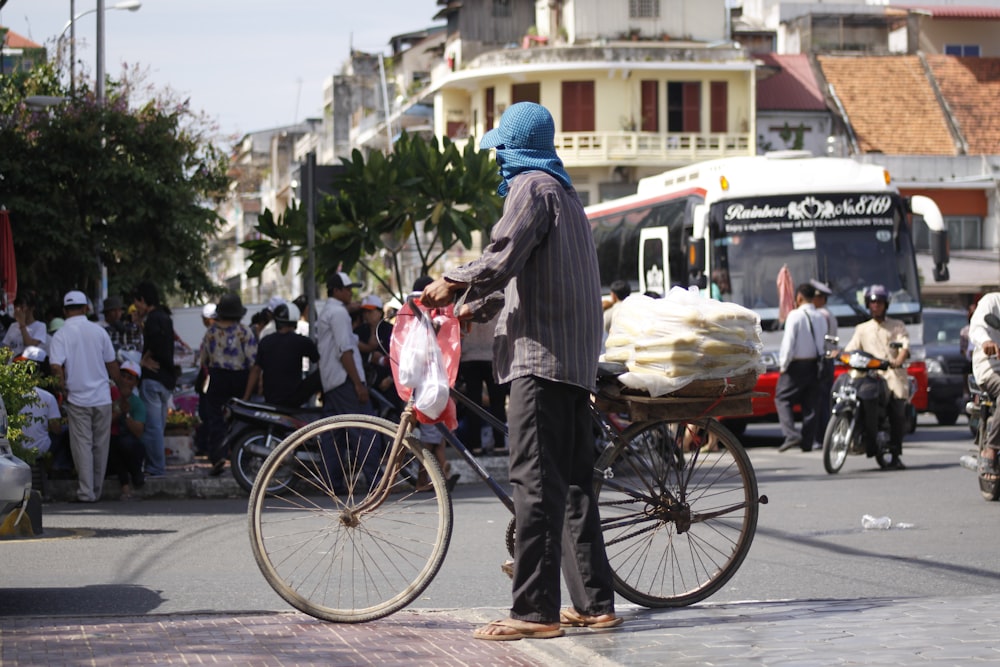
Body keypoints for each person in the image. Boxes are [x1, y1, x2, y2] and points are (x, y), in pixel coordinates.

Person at [420, 102, 619, 640]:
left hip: (540, 360)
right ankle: (596, 603)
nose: (498, 162)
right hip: (573, 362)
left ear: (513, 150)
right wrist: (471, 307)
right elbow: (519, 278)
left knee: (534, 485)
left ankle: (534, 613)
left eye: (500, 150)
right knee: (574, 486)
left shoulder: (530, 188)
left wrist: (452, 281)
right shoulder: (566, 195)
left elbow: (502, 255)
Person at [49, 289, 121, 503]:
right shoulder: (99, 332)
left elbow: (55, 367)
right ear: (86, 308)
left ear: (64, 310)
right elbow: (112, 365)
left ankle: (86, 492)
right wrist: (122, 391)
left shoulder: (61, 335)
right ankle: (95, 491)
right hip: (102, 397)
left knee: (82, 445)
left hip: (78, 398)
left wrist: (62, 388)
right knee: (100, 446)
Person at [315, 271, 382, 492]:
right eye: (347, 289)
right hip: (345, 381)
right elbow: (345, 352)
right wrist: (358, 384)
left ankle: (333, 484)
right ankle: (376, 482)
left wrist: (371, 324)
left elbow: (362, 346)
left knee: (333, 436)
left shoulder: (329, 312)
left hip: (331, 382)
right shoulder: (338, 314)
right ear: (337, 291)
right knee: (364, 429)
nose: (351, 292)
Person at [842, 284, 910, 469]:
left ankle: (895, 452)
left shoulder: (897, 326)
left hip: (892, 375)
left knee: (897, 411)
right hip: (869, 376)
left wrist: (898, 360)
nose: (875, 306)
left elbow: (904, 347)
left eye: (879, 303)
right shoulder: (862, 329)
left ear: (885, 304)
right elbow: (851, 349)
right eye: (872, 303)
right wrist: (839, 355)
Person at [199, 292, 258, 476]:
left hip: (218, 377)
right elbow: (253, 361)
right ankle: (242, 458)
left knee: (216, 419)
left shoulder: (211, 332)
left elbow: (204, 360)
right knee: (242, 419)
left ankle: (217, 457)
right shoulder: (245, 332)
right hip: (240, 378)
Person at [776, 283, 828, 453]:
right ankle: (807, 442)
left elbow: (789, 343)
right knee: (810, 405)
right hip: (815, 364)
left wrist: (783, 364)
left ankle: (791, 435)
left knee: (782, 398)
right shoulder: (821, 317)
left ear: (798, 298)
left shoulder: (795, 316)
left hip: (796, 365)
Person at [133, 282, 177, 478]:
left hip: (153, 379)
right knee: (158, 425)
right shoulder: (164, 317)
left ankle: (156, 467)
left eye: (137, 302)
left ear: (143, 300)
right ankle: (158, 465)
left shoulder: (153, 319)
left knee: (152, 426)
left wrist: (144, 359)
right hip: (166, 379)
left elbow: (155, 342)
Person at [242, 302, 319, 408]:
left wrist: (245, 399)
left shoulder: (265, 341)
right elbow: (319, 361)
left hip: (271, 397)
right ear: (295, 323)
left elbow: (256, 370)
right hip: (295, 398)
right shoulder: (302, 342)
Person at [454, 313, 508, 455]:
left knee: (473, 405)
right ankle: (500, 445)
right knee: (498, 403)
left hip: (469, 356)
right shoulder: (498, 293)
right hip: (494, 355)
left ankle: (475, 445)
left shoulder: (466, 296)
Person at [968, 293, 1000, 479]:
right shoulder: (992, 301)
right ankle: (991, 449)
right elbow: (978, 326)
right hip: (991, 367)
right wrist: (986, 341)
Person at [13, 346, 62, 459]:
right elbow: (56, 429)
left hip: (14, 448)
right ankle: (58, 467)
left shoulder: (11, 394)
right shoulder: (48, 397)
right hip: (41, 449)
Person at [108, 360, 146, 501]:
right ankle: (126, 486)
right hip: (112, 445)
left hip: (130, 448)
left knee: (126, 444)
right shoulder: (109, 395)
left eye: (129, 378)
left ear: (135, 383)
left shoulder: (137, 403)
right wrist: (119, 411)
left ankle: (136, 476)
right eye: (122, 376)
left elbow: (138, 431)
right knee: (114, 444)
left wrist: (127, 414)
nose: (124, 381)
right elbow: (104, 424)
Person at [811, 279, 838, 447]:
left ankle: (820, 436)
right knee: (823, 399)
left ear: (821, 298)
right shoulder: (829, 314)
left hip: (823, 360)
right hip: (829, 360)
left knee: (819, 400)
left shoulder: (821, 315)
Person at [2, 291, 47, 358]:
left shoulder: (40, 326)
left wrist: (22, 325)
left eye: (22, 307)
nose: (19, 310)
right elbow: (6, 350)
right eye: (17, 307)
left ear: (32, 308)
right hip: (12, 366)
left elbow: (30, 345)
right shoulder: (13, 326)